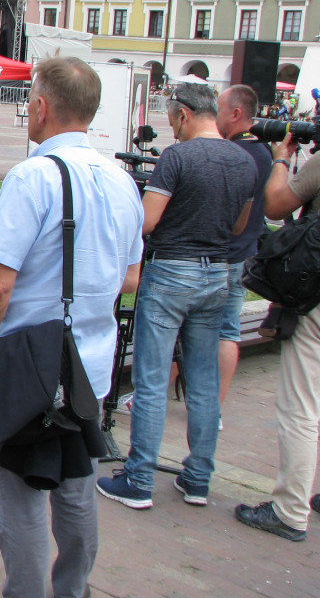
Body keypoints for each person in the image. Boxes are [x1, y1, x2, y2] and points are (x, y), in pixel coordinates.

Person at [0, 56, 143, 598]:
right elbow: (132, 277)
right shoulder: (123, 179)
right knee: (75, 479)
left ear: (42, 108)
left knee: (20, 494)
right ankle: (74, 589)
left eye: (29, 102)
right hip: (90, 362)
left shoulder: (33, 176)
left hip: (29, 363)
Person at [97, 83, 257, 510]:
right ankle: (198, 478)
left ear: (184, 115)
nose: (173, 129)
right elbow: (240, 225)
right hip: (217, 272)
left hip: (171, 272)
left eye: (172, 121)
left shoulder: (178, 157)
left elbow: (147, 222)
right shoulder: (243, 161)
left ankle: (139, 477)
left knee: (150, 381)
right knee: (203, 382)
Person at [234, 133, 320, 541]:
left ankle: (289, 511)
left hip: (315, 302)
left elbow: (277, 203)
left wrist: (282, 160)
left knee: (301, 407)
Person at [214, 85, 272, 419]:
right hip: (244, 251)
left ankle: (190, 402)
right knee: (228, 331)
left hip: (224, 253)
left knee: (197, 328)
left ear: (236, 113)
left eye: (220, 108)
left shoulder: (238, 153)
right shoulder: (263, 152)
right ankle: (214, 408)